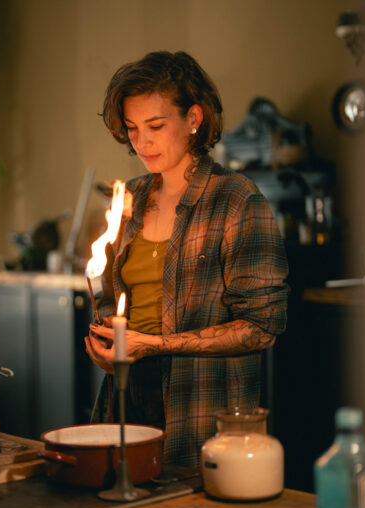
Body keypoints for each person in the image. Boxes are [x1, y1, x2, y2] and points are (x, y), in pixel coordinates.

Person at [85, 51, 289, 468]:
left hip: (200, 411)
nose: (142, 142)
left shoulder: (236, 200)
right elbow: (113, 300)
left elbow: (261, 329)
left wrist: (155, 345)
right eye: (132, 128)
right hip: (126, 406)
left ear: (194, 119)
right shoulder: (131, 199)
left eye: (156, 126)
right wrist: (107, 346)